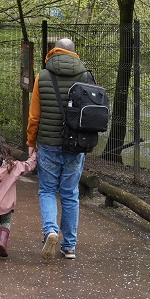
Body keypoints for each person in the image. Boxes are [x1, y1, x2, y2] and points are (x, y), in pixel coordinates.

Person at [26, 37, 92, 260]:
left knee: (47, 190)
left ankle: (50, 231)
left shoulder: (42, 76)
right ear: (75, 53)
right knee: (70, 194)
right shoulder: (86, 76)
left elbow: (34, 116)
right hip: (76, 145)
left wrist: (30, 143)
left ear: (54, 52)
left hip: (49, 144)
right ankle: (70, 246)